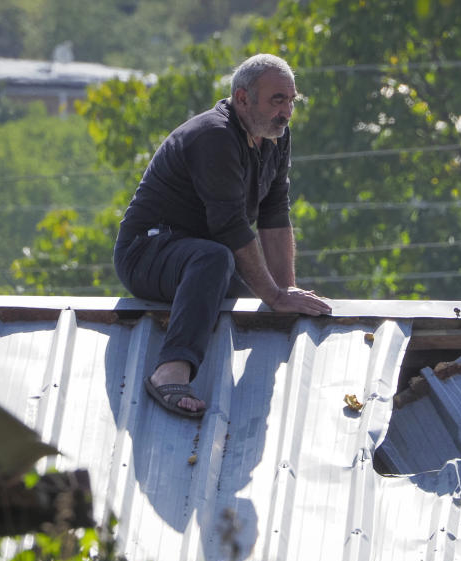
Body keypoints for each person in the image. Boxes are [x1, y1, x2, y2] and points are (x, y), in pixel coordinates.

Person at [113, 53, 331, 418]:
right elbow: (230, 228)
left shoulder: (276, 137)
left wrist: (285, 292)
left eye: (292, 100)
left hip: (207, 259)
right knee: (217, 258)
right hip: (147, 252)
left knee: (254, 305)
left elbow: (275, 215)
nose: (287, 111)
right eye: (277, 100)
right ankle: (170, 370)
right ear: (242, 98)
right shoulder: (214, 135)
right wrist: (274, 296)